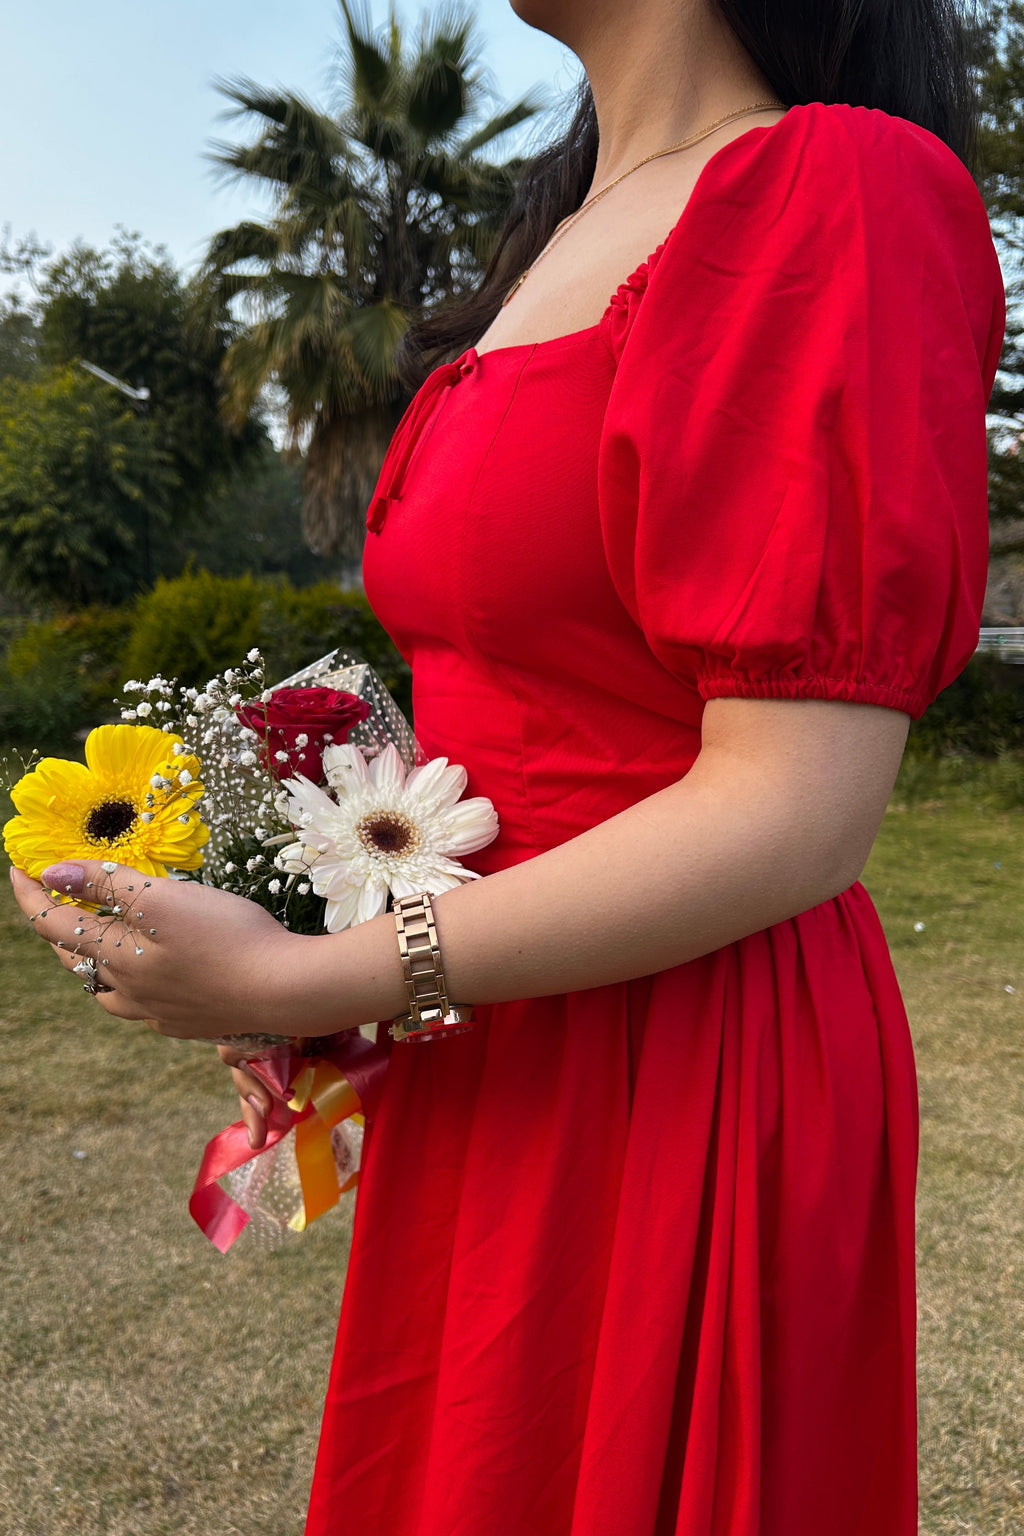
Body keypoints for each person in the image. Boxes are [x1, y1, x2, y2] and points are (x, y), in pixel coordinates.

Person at [10, 0, 1005, 1531]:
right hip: (497, 1032)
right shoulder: (554, 235)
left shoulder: (834, 190)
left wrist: (311, 979)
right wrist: (323, 918)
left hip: (689, 1049)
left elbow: (797, 806)